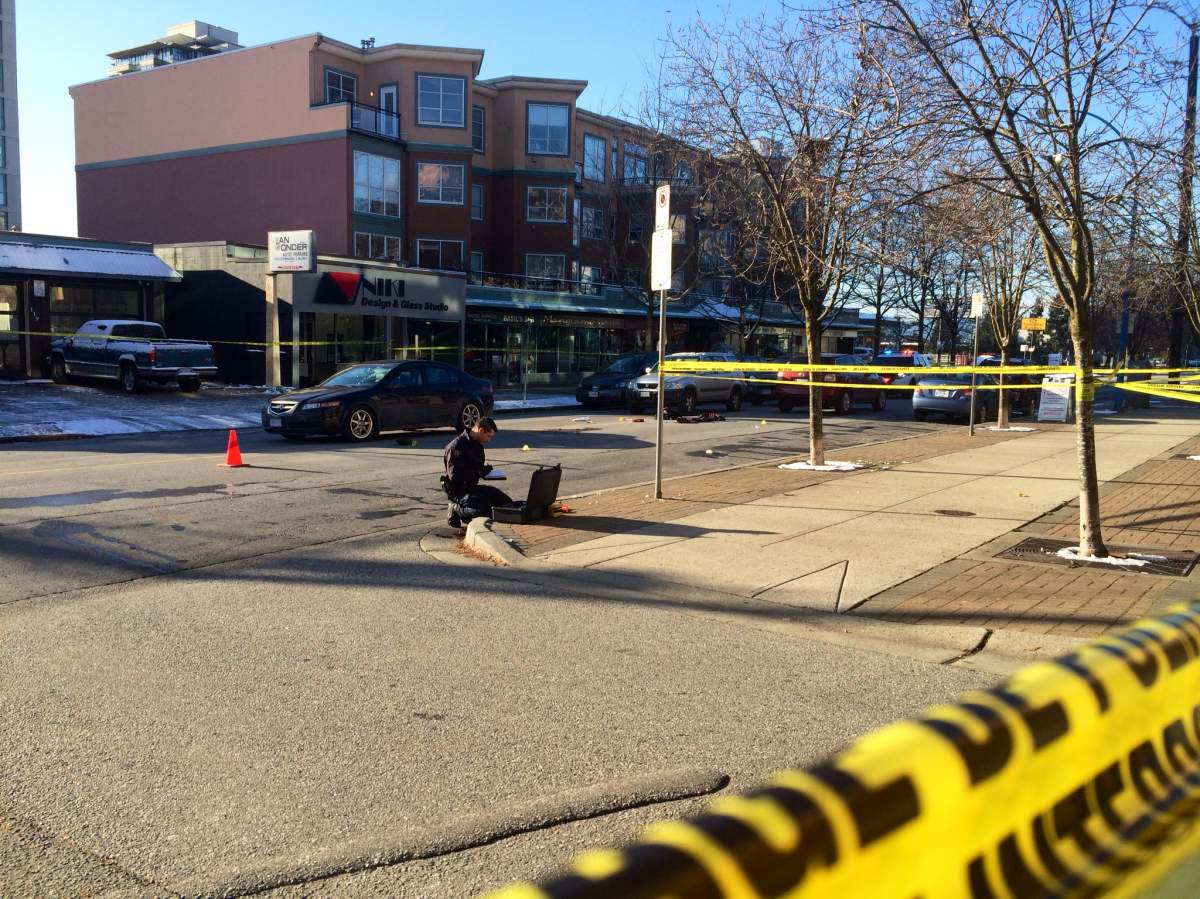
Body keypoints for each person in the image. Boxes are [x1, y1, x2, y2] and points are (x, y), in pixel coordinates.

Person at [442, 417, 512, 527]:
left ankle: (468, 509)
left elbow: (475, 467)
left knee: (505, 502)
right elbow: (455, 476)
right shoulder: (457, 446)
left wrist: (485, 470)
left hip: (471, 487)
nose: (489, 440)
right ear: (480, 430)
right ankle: (456, 508)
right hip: (458, 491)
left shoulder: (477, 444)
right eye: (488, 436)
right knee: (485, 510)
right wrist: (479, 472)